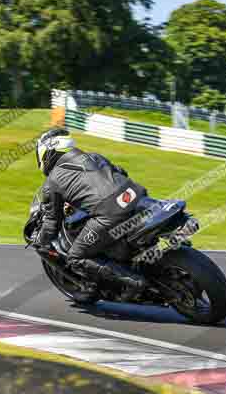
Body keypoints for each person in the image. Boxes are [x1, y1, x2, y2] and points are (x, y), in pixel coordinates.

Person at [33, 127, 147, 301]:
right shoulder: (93, 156)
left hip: (110, 214)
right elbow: (121, 172)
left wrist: (40, 242)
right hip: (136, 195)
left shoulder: (52, 182)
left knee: (76, 257)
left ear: (47, 153)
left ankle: (133, 282)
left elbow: (51, 223)